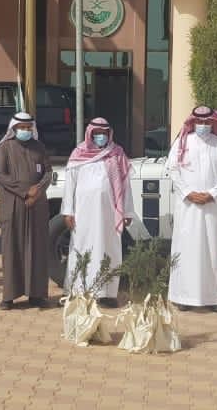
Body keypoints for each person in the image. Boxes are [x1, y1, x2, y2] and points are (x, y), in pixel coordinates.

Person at [167, 106, 217, 313]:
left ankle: (213, 298)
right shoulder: (182, 143)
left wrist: (212, 194)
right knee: (186, 250)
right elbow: (172, 169)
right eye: (199, 122)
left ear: (213, 123)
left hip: (212, 207)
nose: (203, 125)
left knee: (212, 251)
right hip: (188, 207)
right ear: (193, 122)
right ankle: (183, 297)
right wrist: (188, 192)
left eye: (207, 122)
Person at [61, 117, 135, 308]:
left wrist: (127, 212)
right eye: (97, 133)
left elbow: (125, 185)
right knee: (81, 248)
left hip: (109, 214)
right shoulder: (79, 153)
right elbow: (70, 185)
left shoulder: (117, 154)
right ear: (90, 134)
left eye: (104, 133)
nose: (101, 136)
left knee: (108, 249)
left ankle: (106, 294)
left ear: (109, 134)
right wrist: (68, 211)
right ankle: (78, 291)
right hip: (83, 214)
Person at [0, 112, 54, 310]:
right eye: (22, 128)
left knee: (37, 248)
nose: (26, 131)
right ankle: (9, 296)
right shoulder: (4, 148)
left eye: (29, 128)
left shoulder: (39, 147)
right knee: (12, 247)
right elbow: (1, 175)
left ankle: (37, 295)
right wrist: (25, 192)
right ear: (14, 129)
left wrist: (37, 191)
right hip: (13, 205)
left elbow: (48, 172)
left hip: (37, 205)